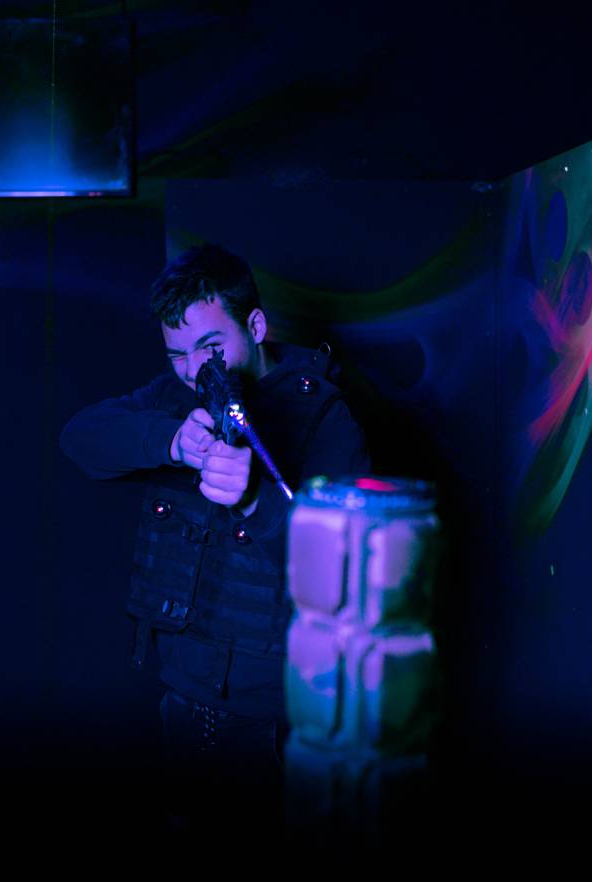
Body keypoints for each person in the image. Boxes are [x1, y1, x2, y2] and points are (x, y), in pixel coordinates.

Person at [60, 243, 369, 834]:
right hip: (183, 697)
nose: (194, 368)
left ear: (255, 326)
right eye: (177, 353)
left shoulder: (326, 420)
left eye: (210, 346)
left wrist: (254, 500)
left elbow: (345, 568)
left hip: (279, 717)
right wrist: (172, 441)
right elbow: (80, 437)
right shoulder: (175, 398)